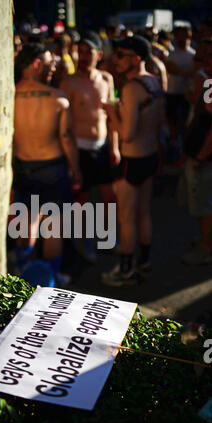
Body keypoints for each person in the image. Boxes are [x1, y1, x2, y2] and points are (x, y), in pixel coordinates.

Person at [11, 43, 82, 284]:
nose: (53, 69)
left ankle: (23, 271)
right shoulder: (57, 98)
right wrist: (76, 169)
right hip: (52, 168)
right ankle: (53, 277)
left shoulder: (9, 94)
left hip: (23, 166)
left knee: (27, 220)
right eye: (50, 64)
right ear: (36, 63)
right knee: (53, 224)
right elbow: (67, 139)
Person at [100, 35, 165, 286]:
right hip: (149, 156)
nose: (115, 60)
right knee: (144, 212)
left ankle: (125, 269)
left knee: (126, 217)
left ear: (136, 59)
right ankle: (144, 262)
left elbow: (126, 133)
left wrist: (111, 112)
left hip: (132, 159)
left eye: (120, 55)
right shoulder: (155, 82)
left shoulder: (132, 88)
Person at [59, 30, 120, 263]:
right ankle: (84, 243)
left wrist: (114, 147)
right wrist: (67, 155)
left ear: (99, 55)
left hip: (102, 146)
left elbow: (111, 116)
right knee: (81, 202)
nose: (83, 56)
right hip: (79, 149)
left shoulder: (107, 80)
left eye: (88, 52)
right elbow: (62, 122)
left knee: (109, 197)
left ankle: (108, 239)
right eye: (80, 52)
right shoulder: (69, 82)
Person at [178, 38, 212, 265]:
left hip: (205, 157)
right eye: (203, 56)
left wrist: (201, 155)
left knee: (204, 204)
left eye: (209, 57)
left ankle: (206, 248)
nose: (204, 61)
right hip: (199, 154)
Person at [165, 26, 196, 162]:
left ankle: (183, 150)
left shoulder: (194, 54)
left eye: (182, 35)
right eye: (177, 35)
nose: (179, 38)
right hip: (173, 92)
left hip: (186, 94)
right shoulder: (172, 53)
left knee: (185, 122)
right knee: (172, 121)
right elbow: (171, 68)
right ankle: (173, 148)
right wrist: (188, 73)